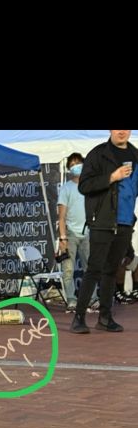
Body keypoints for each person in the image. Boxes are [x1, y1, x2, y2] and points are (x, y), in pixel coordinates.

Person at [71, 130, 138, 334]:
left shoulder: (136, 155)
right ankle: (79, 317)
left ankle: (105, 318)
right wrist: (111, 177)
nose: (121, 131)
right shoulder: (99, 154)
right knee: (94, 269)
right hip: (102, 221)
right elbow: (84, 185)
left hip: (126, 222)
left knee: (111, 271)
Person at [57, 153, 91, 311]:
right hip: (70, 233)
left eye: (78, 163)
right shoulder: (66, 188)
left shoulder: (91, 185)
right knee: (68, 269)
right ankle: (71, 299)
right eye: (72, 164)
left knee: (90, 268)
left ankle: (93, 298)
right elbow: (62, 217)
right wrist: (63, 238)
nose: (76, 166)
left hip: (89, 232)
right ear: (69, 169)